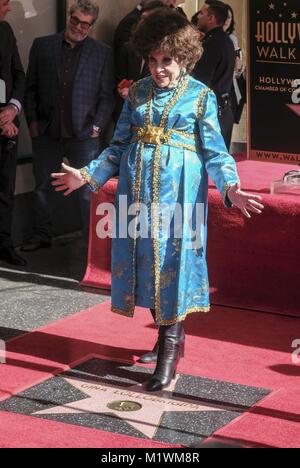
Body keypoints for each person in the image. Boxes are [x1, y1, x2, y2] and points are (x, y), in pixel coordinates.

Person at [52, 10, 264, 392]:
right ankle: (170, 337)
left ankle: (169, 347)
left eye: (166, 60)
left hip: (180, 197)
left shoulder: (200, 97)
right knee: (146, 262)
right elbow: (117, 147)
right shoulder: (137, 92)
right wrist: (85, 174)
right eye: (152, 60)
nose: (158, 68)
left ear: (183, 57)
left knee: (173, 263)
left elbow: (216, 153)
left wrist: (231, 188)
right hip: (136, 195)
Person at [22, 0, 115, 251]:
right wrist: (33, 124)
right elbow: (30, 87)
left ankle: (91, 244)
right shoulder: (43, 45)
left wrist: (97, 127)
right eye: (76, 21)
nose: (80, 27)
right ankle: (41, 235)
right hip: (46, 131)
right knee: (42, 186)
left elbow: (107, 96)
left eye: (86, 24)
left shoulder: (102, 52)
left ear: (91, 26)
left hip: (84, 135)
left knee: (86, 190)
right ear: (69, 17)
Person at [0, 0, 26, 266]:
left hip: (8, 126)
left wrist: (12, 109)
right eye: (6, 2)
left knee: (6, 189)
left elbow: (18, 74)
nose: (8, 8)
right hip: (4, 124)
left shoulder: (5, 31)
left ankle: (4, 244)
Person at [114, 1, 168, 122]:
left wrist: (136, 95)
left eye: (150, 21)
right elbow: (118, 79)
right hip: (127, 118)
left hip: (156, 121)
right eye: (142, 19)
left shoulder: (172, 55)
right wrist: (122, 90)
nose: (143, 25)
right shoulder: (128, 48)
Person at [193, 1, 235, 151]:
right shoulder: (224, 40)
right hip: (221, 108)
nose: (198, 16)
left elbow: (200, 80)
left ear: (211, 18)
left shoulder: (213, 43)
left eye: (202, 13)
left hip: (213, 112)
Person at [223, 3, 246, 125]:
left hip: (232, 88)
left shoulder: (233, 39)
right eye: (224, 16)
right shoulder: (209, 38)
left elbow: (239, 69)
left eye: (229, 17)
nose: (226, 20)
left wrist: (239, 67)